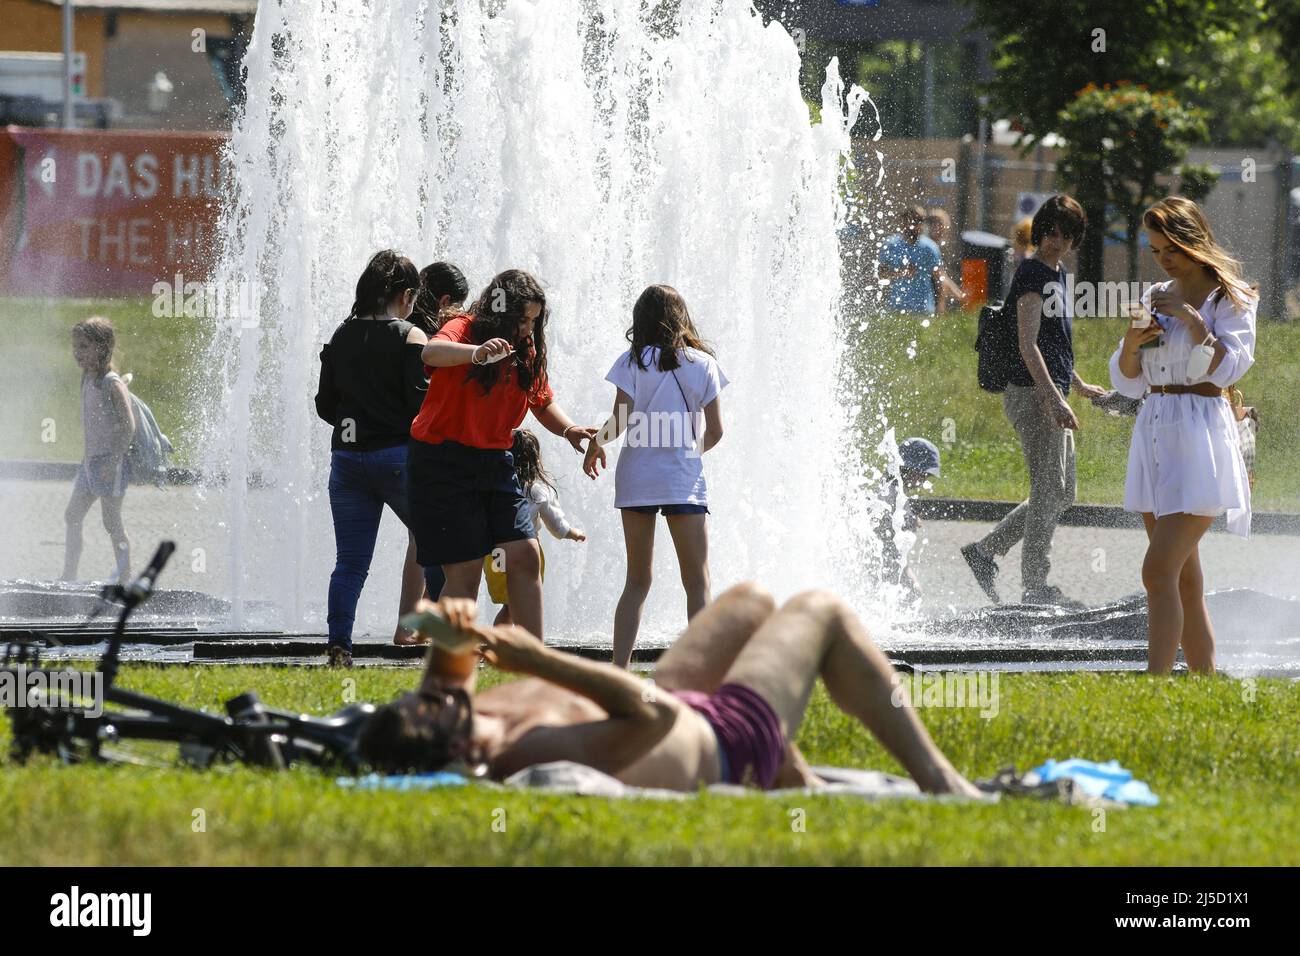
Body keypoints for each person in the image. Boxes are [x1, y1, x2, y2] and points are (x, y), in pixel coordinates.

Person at [356, 583, 982, 797]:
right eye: (446, 705)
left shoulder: (448, 718)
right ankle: (940, 781)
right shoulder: (525, 754)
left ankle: (798, 781)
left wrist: (452, 627)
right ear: (465, 754)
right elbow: (649, 716)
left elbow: (446, 676)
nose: (443, 692)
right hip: (727, 739)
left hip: (678, 702)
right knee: (821, 611)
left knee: (753, 602)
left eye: (432, 697)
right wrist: (539, 659)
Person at [1108, 197, 1257, 675]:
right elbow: (1128, 380)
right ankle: (1203, 681)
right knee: (1184, 580)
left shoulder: (1229, 298)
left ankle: (1154, 683)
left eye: (1170, 247)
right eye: (1155, 251)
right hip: (1156, 427)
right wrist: (1133, 343)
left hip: (1202, 436)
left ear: (1193, 241)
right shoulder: (1156, 293)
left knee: (1157, 571)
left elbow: (1234, 363)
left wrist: (1192, 321)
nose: (1164, 259)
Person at [406, 269, 596, 643]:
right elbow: (431, 352)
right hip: (441, 461)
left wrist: (570, 430)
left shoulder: (526, 350)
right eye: (522, 319)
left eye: (534, 321)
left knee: (525, 555)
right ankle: (449, 679)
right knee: (465, 572)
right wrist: (476, 354)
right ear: (501, 311)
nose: (528, 329)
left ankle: (534, 666)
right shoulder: (465, 328)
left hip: (495, 461)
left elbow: (541, 402)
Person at [960, 195, 1106, 608]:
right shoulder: (1032, 274)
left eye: (1065, 235)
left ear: (1075, 238)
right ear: (1041, 231)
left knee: (1062, 492)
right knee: (1048, 489)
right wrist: (1053, 398)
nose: (1056, 241)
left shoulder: (1056, 273)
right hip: (1032, 394)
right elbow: (1028, 345)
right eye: (1050, 233)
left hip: (1050, 391)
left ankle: (985, 552)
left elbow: (1052, 342)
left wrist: (1076, 383)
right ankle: (1035, 587)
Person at [582, 285, 728, 668]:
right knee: (697, 582)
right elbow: (715, 431)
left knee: (636, 582)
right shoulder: (703, 364)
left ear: (640, 319)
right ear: (682, 317)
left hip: (637, 480)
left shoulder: (630, 362)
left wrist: (597, 442)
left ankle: (619, 669)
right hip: (683, 481)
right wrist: (685, 454)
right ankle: (702, 669)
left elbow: (619, 422)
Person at [315, 250, 430, 666]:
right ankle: (443, 638)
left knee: (349, 563)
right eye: (414, 295)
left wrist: (357, 419)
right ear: (403, 294)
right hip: (397, 457)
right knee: (436, 544)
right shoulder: (410, 336)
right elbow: (421, 407)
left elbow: (325, 405)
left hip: (346, 462)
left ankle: (339, 646)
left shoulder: (341, 335)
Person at [391, 260, 471, 642]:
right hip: (427, 448)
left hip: (403, 444)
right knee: (432, 539)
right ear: (444, 300)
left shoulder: (404, 330)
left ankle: (413, 625)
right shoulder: (429, 339)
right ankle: (417, 626)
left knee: (420, 540)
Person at [484, 429, 586, 625]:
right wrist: (573, 533)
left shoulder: (494, 488)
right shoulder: (535, 490)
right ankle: (512, 648)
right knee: (519, 605)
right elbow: (556, 524)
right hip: (524, 555)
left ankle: (498, 648)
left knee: (510, 606)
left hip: (495, 556)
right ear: (535, 459)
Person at [62, 317, 136, 584]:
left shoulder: (111, 383)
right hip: (91, 464)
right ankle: (69, 575)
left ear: (103, 348)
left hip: (110, 465)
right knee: (72, 515)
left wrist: (113, 460)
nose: (77, 353)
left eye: (83, 346)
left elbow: (128, 426)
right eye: (75, 346)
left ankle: (125, 581)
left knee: (112, 523)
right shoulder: (88, 378)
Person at [875, 437, 941, 604]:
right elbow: (888, 544)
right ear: (910, 469)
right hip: (879, 567)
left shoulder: (890, 490)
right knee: (911, 594)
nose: (925, 481)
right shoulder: (888, 496)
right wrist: (910, 519)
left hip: (888, 562)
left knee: (912, 593)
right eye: (924, 475)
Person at [878, 205, 943, 316]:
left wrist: (940, 309)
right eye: (913, 220)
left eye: (920, 220)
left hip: (924, 310)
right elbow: (881, 275)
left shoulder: (930, 248)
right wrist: (901, 273)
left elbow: (938, 281)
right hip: (896, 310)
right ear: (903, 221)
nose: (917, 224)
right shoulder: (891, 245)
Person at [925, 207, 966, 313]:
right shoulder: (928, 246)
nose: (944, 230)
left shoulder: (935, 245)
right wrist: (958, 296)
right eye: (942, 225)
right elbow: (940, 277)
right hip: (926, 298)